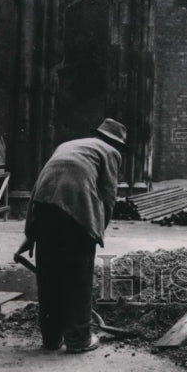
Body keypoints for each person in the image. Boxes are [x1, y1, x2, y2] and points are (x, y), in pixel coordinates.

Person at [19, 118, 128, 353]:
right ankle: (78, 340)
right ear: (116, 143)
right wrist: (96, 231)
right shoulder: (111, 152)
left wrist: (32, 233)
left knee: (48, 278)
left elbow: (40, 186)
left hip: (45, 211)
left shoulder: (68, 145)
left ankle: (51, 339)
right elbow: (108, 196)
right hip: (77, 215)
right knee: (78, 279)